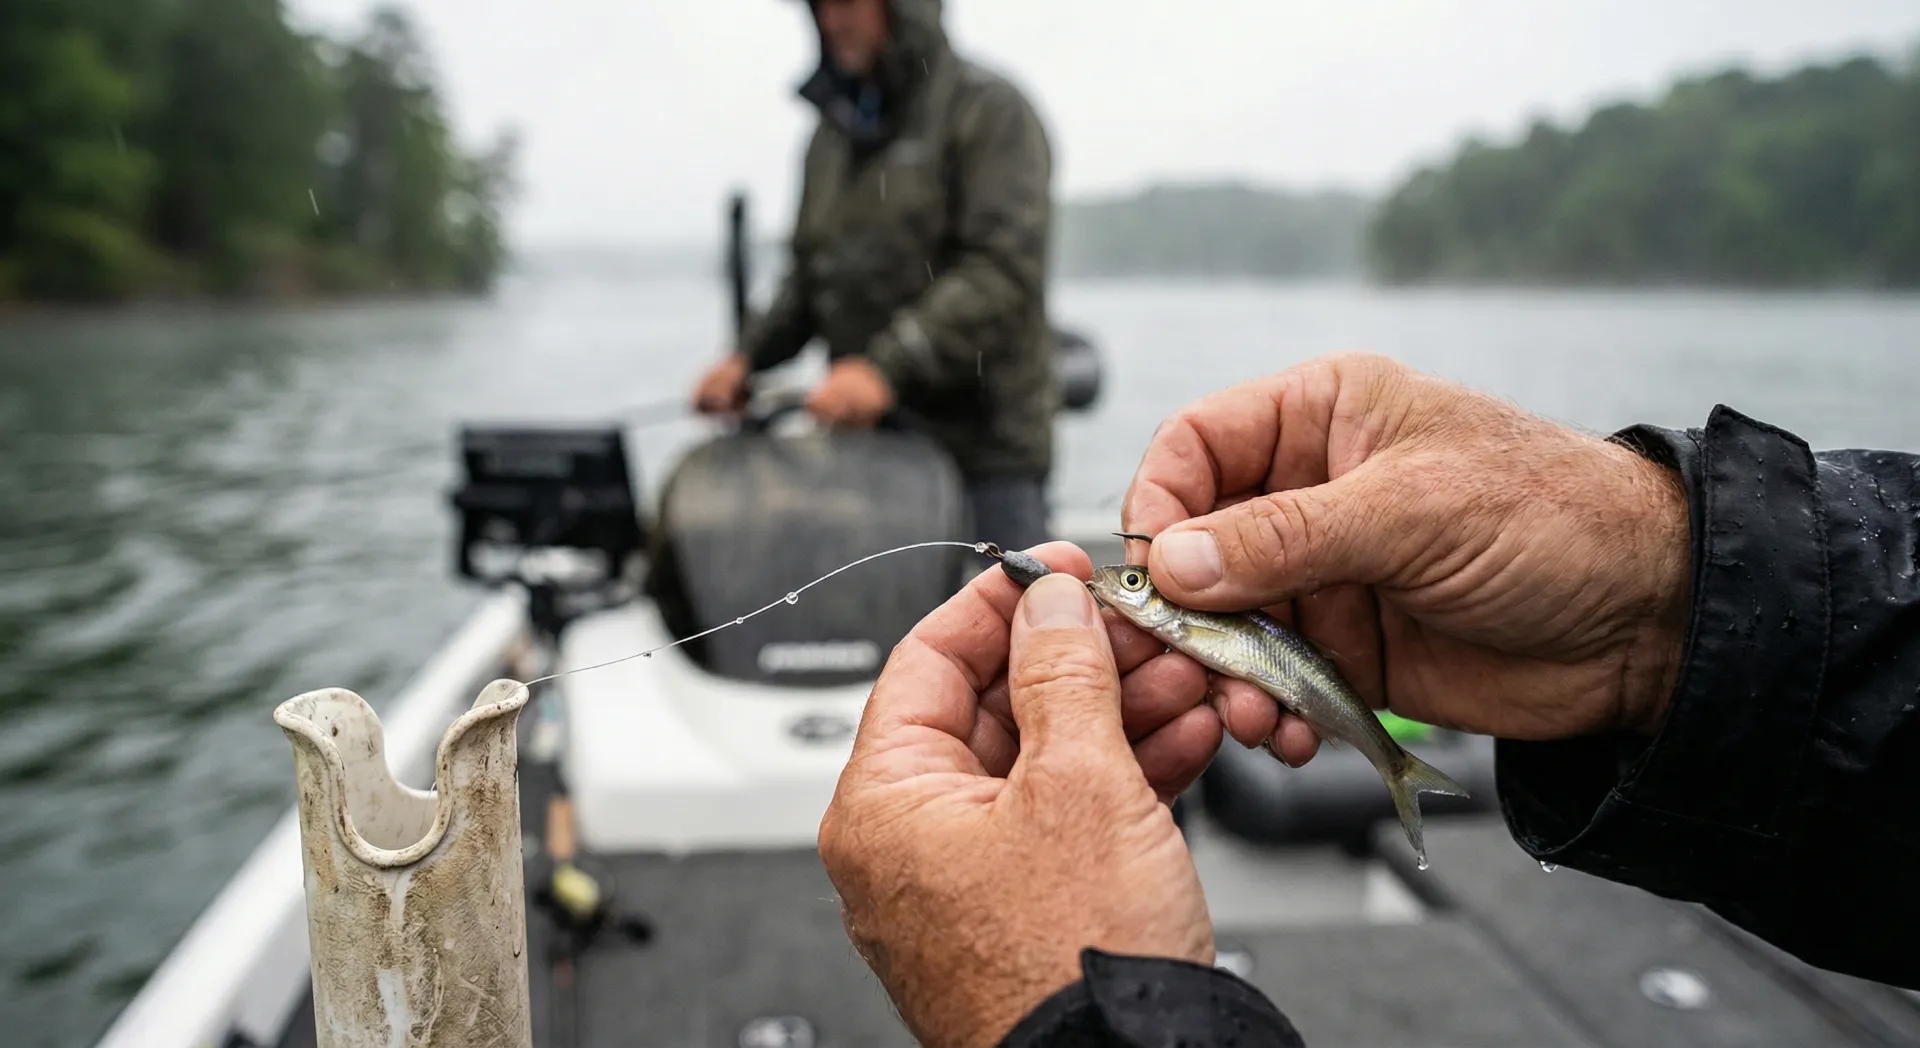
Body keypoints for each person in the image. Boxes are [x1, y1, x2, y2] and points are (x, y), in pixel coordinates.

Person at [816, 351, 1920, 1046]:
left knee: (1243, 711)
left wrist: (1075, 1018)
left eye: (1142, 586)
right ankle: (1406, 768)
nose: (1130, 591)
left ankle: (1400, 771)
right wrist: (1660, 614)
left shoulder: (1176, 603)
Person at [691, 0, 1058, 553]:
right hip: (870, 455)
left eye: (847, 2)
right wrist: (746, 359)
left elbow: (1000, 272)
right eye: (819, 7)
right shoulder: (830, 137)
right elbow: (811, 277)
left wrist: (885, 370)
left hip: (986, 457)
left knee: (1011, 623)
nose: (832, 20)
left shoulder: (988, 111)